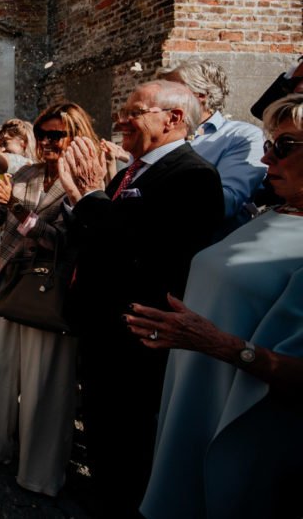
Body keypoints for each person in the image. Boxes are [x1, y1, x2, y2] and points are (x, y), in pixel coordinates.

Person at [126, 92, 303, 519]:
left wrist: (224, 346)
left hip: (250, 420)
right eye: (267, 146)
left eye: (283, 147)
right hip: (193, 390)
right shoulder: (272, 215)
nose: (266, 161)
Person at [58, 80, 224, 516]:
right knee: (104, 445)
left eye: (134, 111)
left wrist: (91, 196)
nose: (120, 120)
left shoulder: (192, 175)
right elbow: (96, 239)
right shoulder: (132, 172)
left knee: (129, 452)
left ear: (172, 119)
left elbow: (147, 253)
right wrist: (80, 199)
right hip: (101, 332)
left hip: (136, 339)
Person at [0, 102, 103, 497]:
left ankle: (38, 473)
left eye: (58, 135)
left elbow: (61, 241)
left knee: (46, 384)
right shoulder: (26, 172)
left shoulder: (87, 184)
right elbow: (3, 219)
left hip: (52, 293)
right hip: (10, 280)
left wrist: (15, 208)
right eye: (43, 134)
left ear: (77, 136)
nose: (48, 142)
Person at [160, 61, 266, 230]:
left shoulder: (241, 136)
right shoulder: (159, 133)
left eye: (171, 89)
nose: (161, 97)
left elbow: (226, 204)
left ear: (201, 94)